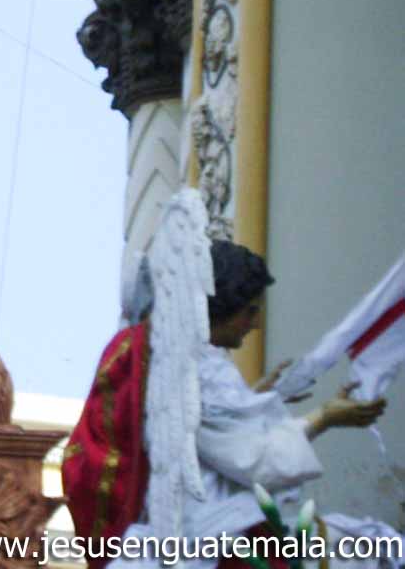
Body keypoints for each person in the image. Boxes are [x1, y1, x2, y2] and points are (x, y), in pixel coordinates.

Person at [63, 237, 388, 567]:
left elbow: (210, 431)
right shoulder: (199, 368)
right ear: (220, 307)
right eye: (250, 311)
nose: (255, 323)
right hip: (209, 538)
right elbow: (257, 461)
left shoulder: (162, 350)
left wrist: (252, 400)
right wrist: (324, 417)